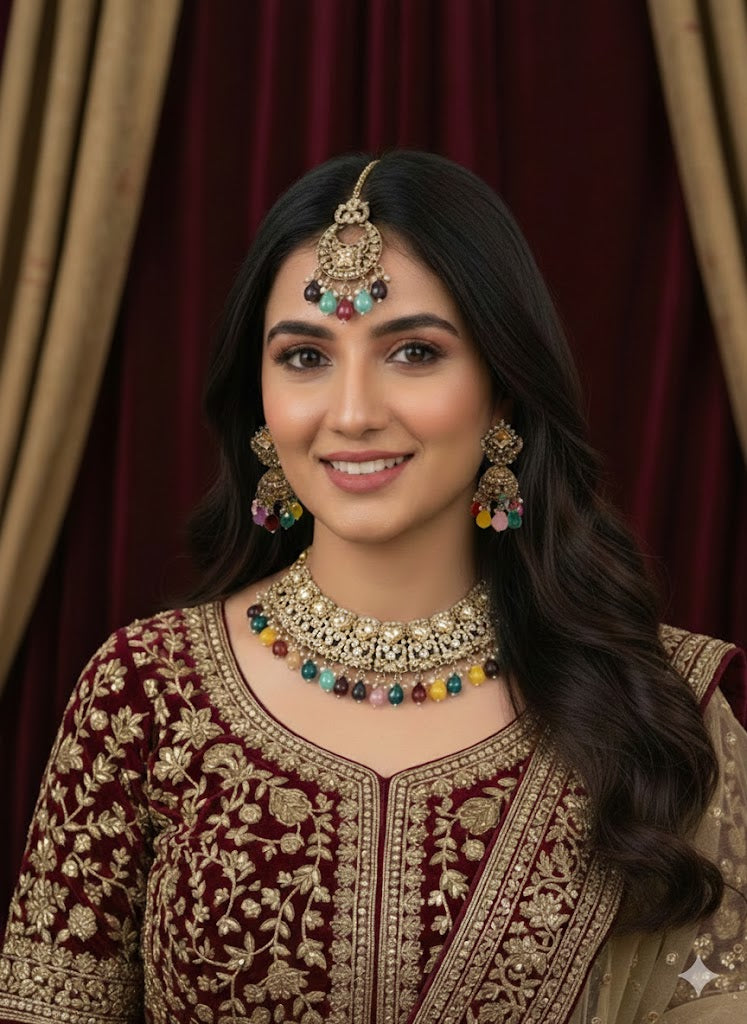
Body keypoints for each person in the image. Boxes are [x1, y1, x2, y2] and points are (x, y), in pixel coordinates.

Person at [0, 150, 745, 1024]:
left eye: (414, 352)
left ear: (503, 391)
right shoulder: (145, 692)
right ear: (261, 401)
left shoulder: (659, 708)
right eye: (306, 356)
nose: (350, 412)